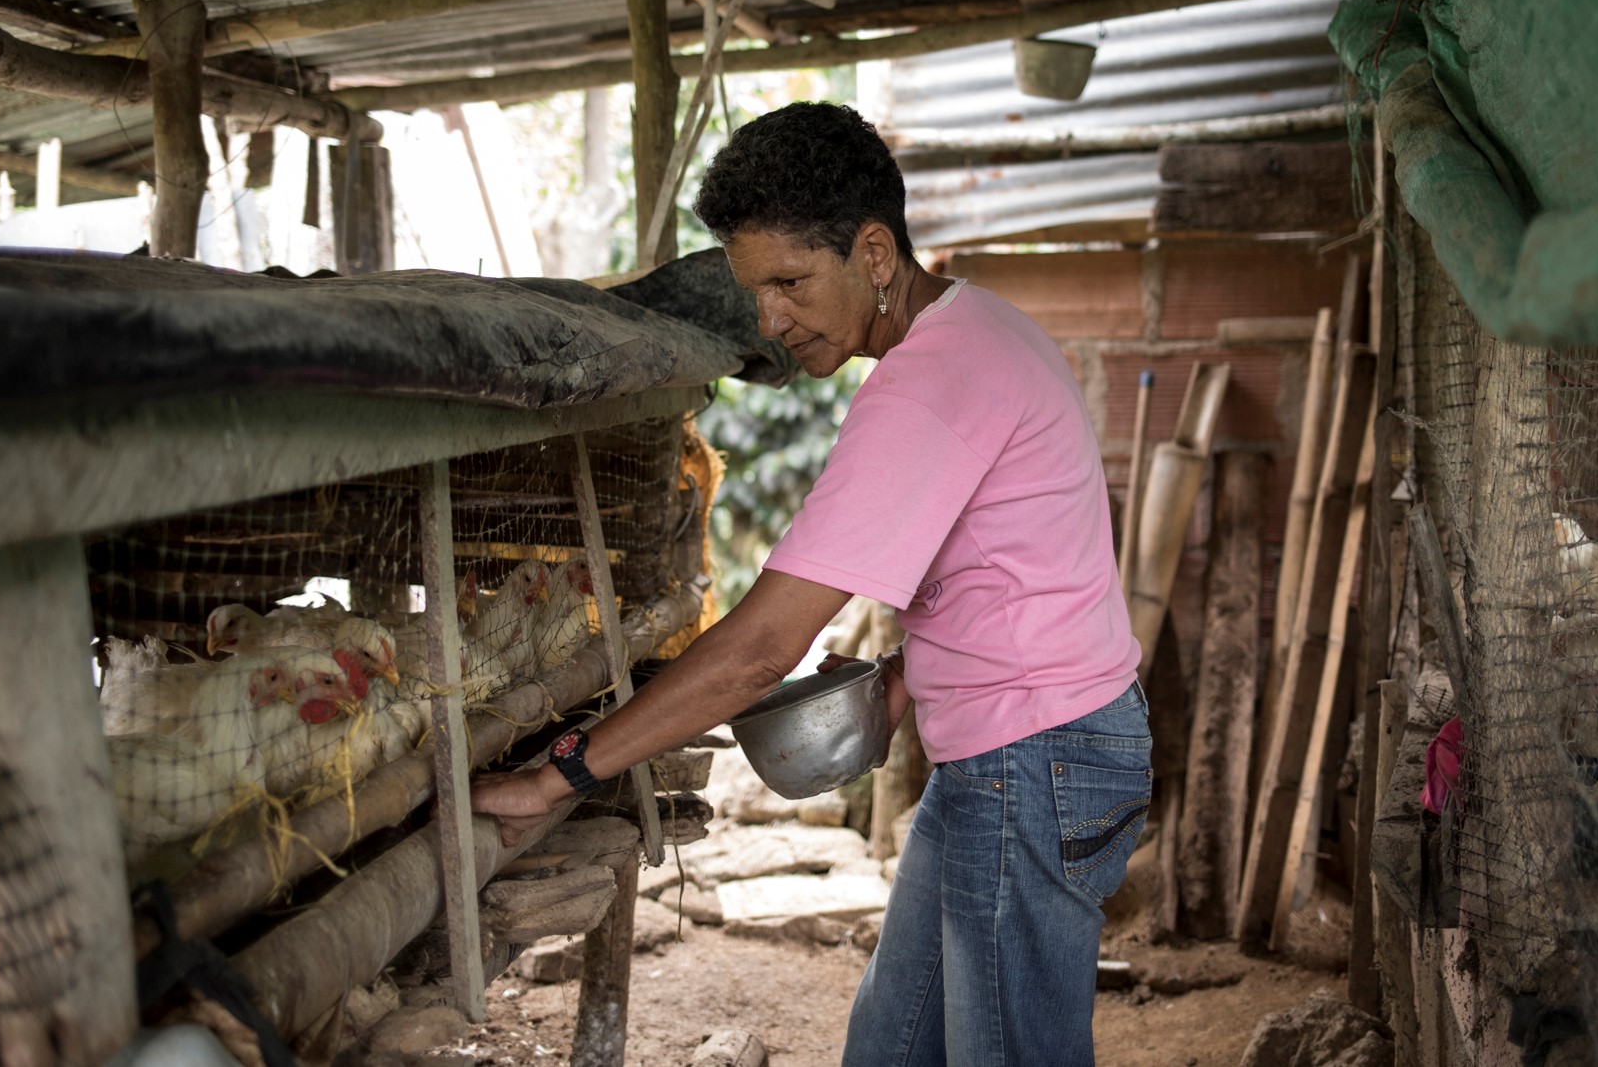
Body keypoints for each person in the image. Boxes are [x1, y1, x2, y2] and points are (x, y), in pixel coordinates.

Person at [471, 101, 1148, 1067]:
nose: (770, 320)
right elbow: (1029, 553)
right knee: (890, 1046)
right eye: (757, 290)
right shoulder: (984, 325)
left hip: (1030, 763)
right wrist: (913, 670)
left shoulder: (926, 383)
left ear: (875, 254)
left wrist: (563, 772)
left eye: (790, 282)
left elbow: (759, 648)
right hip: (1026, 749)